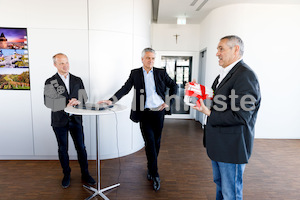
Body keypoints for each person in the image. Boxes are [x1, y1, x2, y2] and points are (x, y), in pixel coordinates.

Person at [190, 35, 261, 199]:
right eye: (217, 49)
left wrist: (209, 113)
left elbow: (242, 115)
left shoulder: (245, 76)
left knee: (231, 193)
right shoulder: (225, 73)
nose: (217, 53)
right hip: (220, 145)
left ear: (236, 49)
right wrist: (197, 90)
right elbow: (221, 98)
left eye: (221, 48)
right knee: (221, 187)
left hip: (232, 147)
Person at [98, 48, 178, 191]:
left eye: (153, 58)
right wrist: (112, 100)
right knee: (150, 142)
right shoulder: (135, 73)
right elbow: (125, 88)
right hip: (144, 114)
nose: (151, 61)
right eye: (148, 58)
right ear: (142, 59)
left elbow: (174, 86)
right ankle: (155, 174)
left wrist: (168, 102)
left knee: (156, 143)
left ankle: (150, 167)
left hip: (158, 113)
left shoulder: (161, 72)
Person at [44, 53, 95, 188]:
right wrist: (65, 104)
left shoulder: (77, 80)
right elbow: (48, 102)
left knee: (81, 148)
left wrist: (78, 100)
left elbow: (85, 98)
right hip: (59, 121)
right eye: (61, 63)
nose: (65, 65)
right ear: (55, 65)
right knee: (62, 149)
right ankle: (66, 174)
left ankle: (85, 174)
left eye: (66, 62)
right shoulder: (50, 81)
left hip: (76, 120)